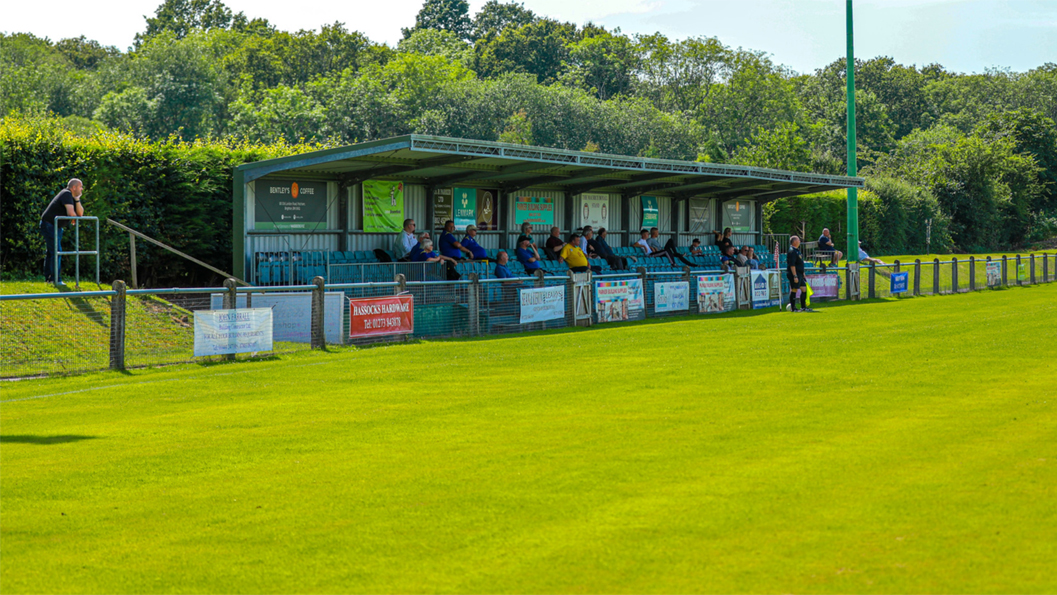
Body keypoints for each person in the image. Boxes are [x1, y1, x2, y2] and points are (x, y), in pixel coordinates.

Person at [40, 178, 85, 284]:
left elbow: (80, 213)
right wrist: (73, 216)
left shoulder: (72, 196)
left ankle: (50, 279)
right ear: (74, 187)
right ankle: (55, 279)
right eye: (80, 186)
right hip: (49, 224)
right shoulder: (66, 194)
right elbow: (71, 213)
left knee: (52, 252)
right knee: (57, 252)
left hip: (56, 226)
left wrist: (77, 199)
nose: (82, 189)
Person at [787, 235, 812, 312]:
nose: (799, 241)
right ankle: (793, 308)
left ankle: (803, 307)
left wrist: (802, 272)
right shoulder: (792, 251)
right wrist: (795, 276)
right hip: (795, 274)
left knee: (804, 289)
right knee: (794, 289)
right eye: (798, 240)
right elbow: (792, 265)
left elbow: (799, 263)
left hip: (800, 273)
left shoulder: (797, 251)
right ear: (794, 241)